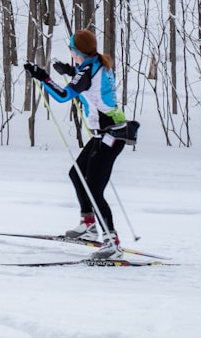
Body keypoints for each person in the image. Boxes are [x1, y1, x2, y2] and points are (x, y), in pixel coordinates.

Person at [24, 29, 138, 260]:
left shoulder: (87, 69)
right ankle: (89, 225)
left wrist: (43, 77)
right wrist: (69, 70)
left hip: (111, 135)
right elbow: (86, 79)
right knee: (77, 174)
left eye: (71, 51)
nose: (71, 54)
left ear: (76, 51)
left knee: (95, 190)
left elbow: (64, 96)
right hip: (104, 134)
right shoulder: (96, 62)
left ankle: (111, 242)